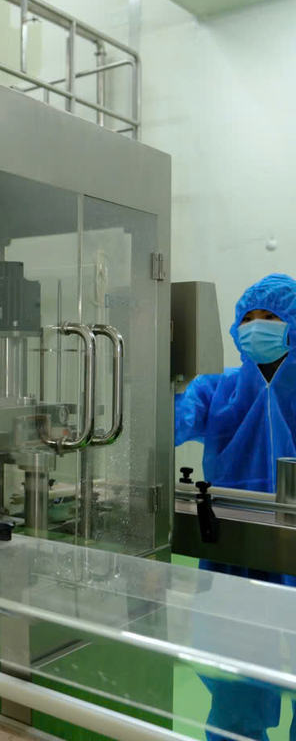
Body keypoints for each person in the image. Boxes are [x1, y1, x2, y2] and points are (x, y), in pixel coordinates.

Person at [175, 273, 296, 741]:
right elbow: (171, 423)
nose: (257, 327)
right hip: (234, 549)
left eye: (270, 317)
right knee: (235, 686)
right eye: (248, 318)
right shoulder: (216, 390)